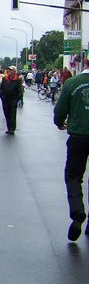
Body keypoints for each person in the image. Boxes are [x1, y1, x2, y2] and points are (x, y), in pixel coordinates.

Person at [54, 59, 89, 241]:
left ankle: (77, 212)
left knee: (74, 176)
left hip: (78, 136)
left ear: (84, 63)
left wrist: (59, 122)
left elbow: (60, 110)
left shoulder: (72, 83)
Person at [0, 65, 24, 134]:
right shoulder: (5, 79)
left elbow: (20, 91)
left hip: (13, 100)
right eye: (8, 70)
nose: (8, 71)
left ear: (14, 72)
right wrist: (2, 97)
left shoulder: (17, 80)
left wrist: (16, 99)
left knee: (12, 114)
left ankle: (12, 129)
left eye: (10, 70)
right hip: (5, 99)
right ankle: (8, 127)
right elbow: (1, 89)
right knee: (6, 114)